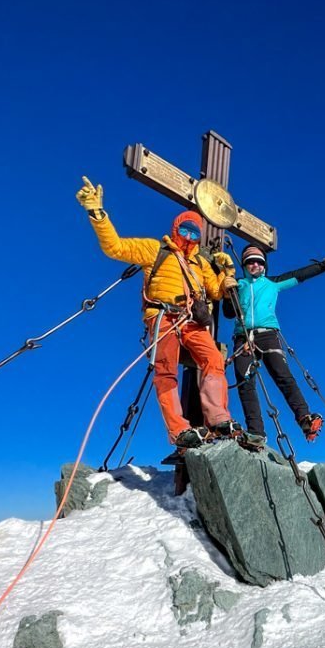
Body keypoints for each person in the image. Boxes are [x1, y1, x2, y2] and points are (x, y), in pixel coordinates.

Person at [75, 176, 241, 449]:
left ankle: (219, 418)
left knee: (214, 360)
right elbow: (115, 247)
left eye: (194, 233)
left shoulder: (199, 263)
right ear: (176, 228)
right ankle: (179, 430)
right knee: (166, 371)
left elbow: (216, 291)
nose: (189, 237)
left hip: (192, 321)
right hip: (163, 316)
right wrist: (97, 213)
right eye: (185, 230)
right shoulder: (155, 249)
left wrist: (228, 271)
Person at [222, 244, 325, 446]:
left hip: (268, 335)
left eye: (259, 261)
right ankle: (256, 433)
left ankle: (305, 419)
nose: (254, 265)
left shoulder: (272, 283)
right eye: (250, 262)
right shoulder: (238, 285)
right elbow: (229, 313)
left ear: (264, 265)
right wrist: (227, 294)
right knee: (245, 384)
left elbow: (298, 275)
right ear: (244, 265)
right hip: (242, 338)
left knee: (283, 377)